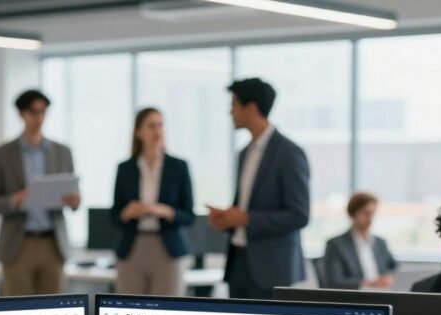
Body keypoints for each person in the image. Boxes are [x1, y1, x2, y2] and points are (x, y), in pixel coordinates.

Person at [209, 77, 310, 300]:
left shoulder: (289, 153)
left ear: (251, 107)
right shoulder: (244, 153)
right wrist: (227, 218)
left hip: (272, 268)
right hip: (238, 263)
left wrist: (246, 219)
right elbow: (245, 206)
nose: (230, 112)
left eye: (233, 105)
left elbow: (299, 216)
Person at [0, 89, 80, 296]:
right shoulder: (2, 154)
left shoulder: (63, 152)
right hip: (18, 245)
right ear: (21, 114)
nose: (39, 118)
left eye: (43, 112)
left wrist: (74, 200)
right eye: (33, 112)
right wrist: (15, 200)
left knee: (56, 311)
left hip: (52, 244)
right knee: (18, 311)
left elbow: (73, 198)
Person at [111, 108, 195, 296]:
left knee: (167, 313)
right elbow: (114, 216)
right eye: (151, 126)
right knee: (128, 311)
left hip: (168, 249)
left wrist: (165, 211)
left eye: (160, 125)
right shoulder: (125, 169)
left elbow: (189, 215)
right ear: (138, 132)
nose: (157, 131)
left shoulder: (178, 167)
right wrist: (127, 213)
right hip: (133, 247)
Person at [322, 191, 398, 289]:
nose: (370, 219)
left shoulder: (380, 242)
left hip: (382, 294)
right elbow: (334, 282)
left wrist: (388, 278)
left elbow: (393, 267)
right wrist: (368, 284)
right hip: (355, 297)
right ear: (353, 214)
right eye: (366, 213)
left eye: (372, 213)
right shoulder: (336, 245)